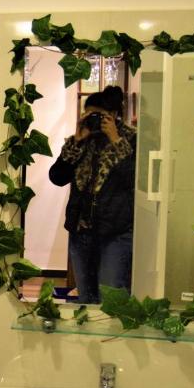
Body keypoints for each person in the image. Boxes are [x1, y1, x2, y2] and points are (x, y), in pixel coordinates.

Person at [48, 86, 136, 304]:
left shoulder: (131, 140)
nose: (94, 121)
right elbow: (57, 177)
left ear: (113, 115)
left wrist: (116, 141)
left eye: (99, 116)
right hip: (81, 232)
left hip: (115, 233)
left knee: (112, 298)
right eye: (89, 115)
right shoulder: (81, 141)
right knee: (86, 299)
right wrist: (76, 143)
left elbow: (133, 179)